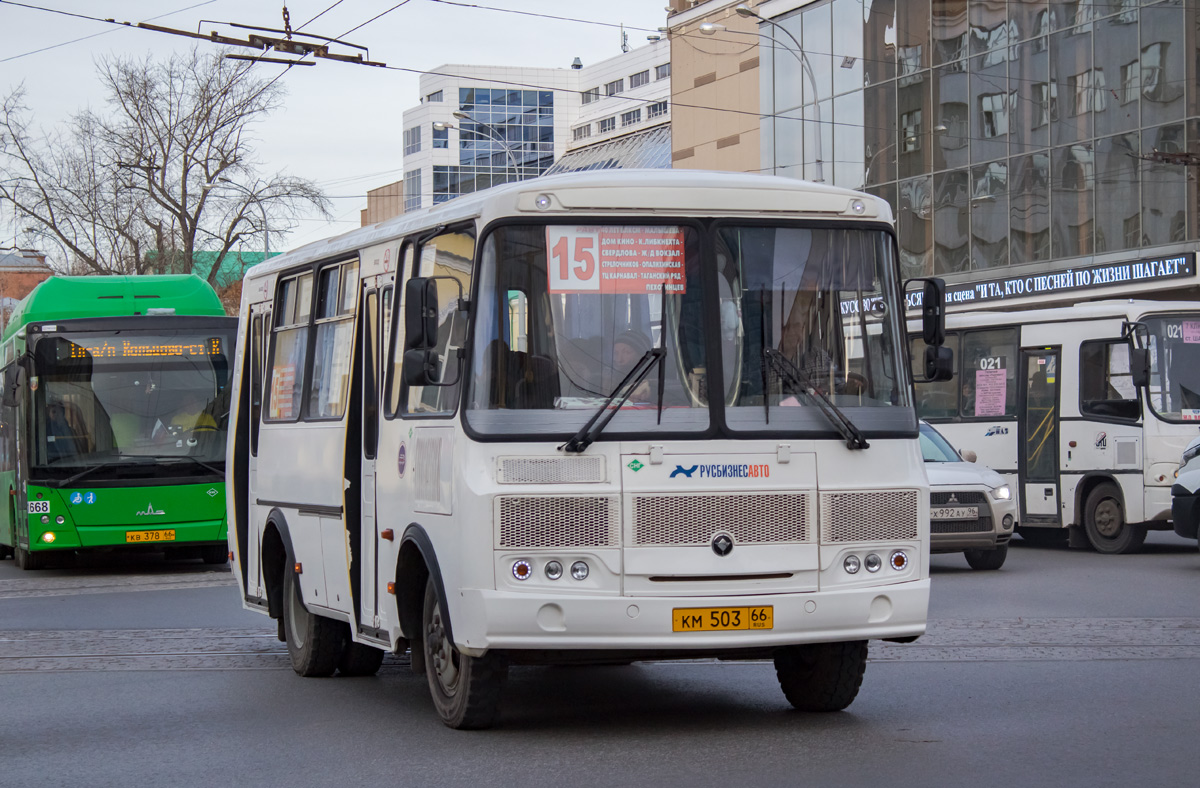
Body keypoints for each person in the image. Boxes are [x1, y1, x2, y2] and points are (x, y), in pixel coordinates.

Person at [612, 330, 654, 402]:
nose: (619, 359)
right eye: (616, 353)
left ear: (642, 354)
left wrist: (651, 385)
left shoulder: (654, 376)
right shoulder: (612, 377)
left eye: (627, 352)